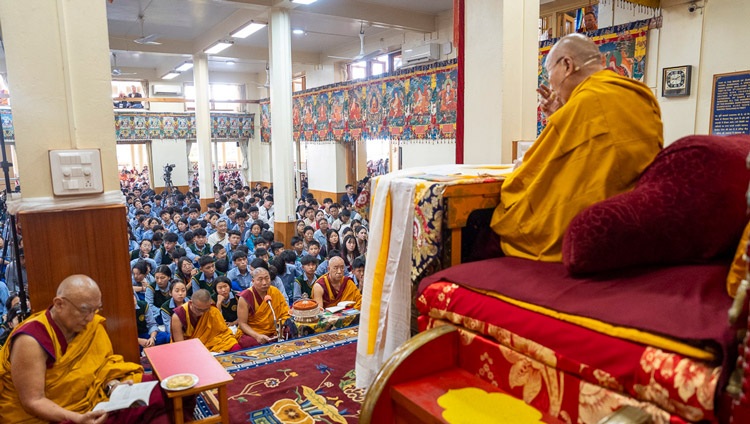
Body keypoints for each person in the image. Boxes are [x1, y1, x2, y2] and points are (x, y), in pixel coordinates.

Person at [491, 34, 663, 262]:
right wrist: (558, 114)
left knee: (507, 216)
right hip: (640, 219)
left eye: (549, 74)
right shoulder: (639, 94)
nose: (551, 83)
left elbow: (532, 171)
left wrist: (516, 177)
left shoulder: (584, 104)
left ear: (567, 65)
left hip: (594, 226)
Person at [0, 275, 168, 423]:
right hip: (54, 414)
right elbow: (33, 401)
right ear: (59, 304)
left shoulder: (91, 326)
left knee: (162, 393)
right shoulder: (31, 340)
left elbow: (102, 366)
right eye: (84, 311)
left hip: (95, 399)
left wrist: (114, 385)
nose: (90, 318)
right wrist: (77, 418)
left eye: (96, 309)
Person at [171, 289, 240, 353]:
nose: (202, 313)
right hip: (191, 347)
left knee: (235, 347)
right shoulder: (178, 316)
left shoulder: (212, 310)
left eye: (205, 310)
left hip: (213, 343)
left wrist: (220, 349)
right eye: (199, 310)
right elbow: (180, 345)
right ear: (191, 303)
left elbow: (223, 333)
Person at [235, 267, 290, 348]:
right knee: (251, 343)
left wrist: (280, 327)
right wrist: (257, 336)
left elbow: (285, 313)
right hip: (254, 332)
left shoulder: (274, 291)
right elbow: (242, 323)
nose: (264, 283)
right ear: (253, 281)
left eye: (267, 278)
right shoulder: (245, 297)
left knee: (289, 330)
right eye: (260, 280)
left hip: (274, 330)